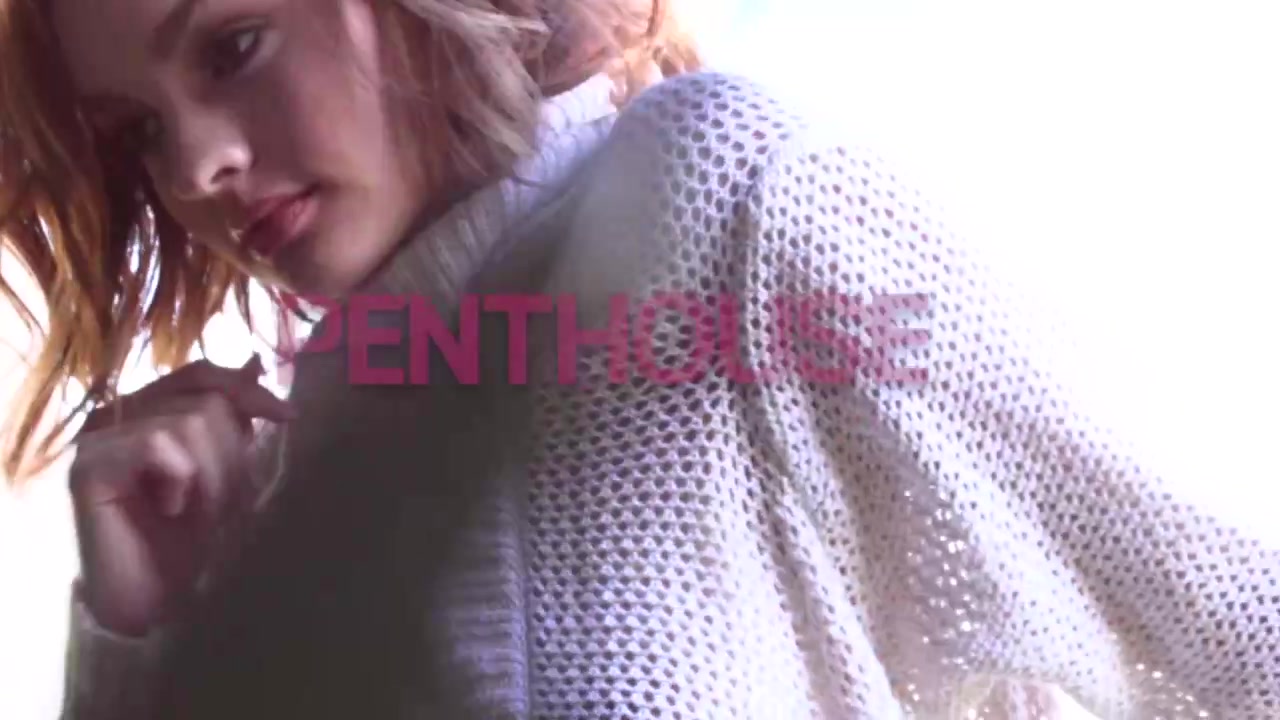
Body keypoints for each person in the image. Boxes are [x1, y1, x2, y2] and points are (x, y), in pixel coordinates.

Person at [1, 0, 1276, 718]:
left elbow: (1231, 618)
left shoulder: (714, 197)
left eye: (232, 46)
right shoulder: (277, 483)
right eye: (141, 130)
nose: (198, 166)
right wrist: (141, 639)